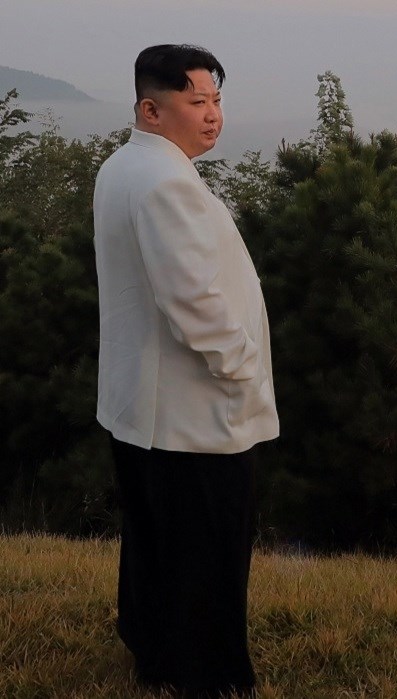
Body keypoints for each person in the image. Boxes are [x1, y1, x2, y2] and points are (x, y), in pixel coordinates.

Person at [93, 44, 279, 698]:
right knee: (208, 545)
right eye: (196, 102)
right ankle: (212, 676)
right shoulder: (166, 181)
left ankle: (158, 655)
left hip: (140, 404)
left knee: (155, 538)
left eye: (217, 100)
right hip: (189, 408)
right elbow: (193, 301)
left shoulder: (123, 166)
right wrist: (244, 370)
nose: (212, 116)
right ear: (151, 107)